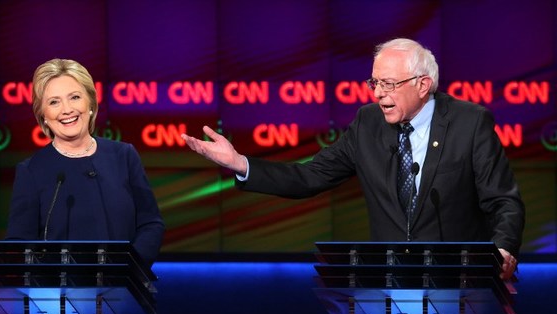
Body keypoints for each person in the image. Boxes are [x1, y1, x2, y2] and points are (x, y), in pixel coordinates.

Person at [182, 37, 524, 280]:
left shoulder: (469, 122)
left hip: (460, 285)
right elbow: (310, 177)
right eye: (374, 82)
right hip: (388, 288)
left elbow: (504, 201)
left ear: (423, 84)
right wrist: (240, 163)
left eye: (389, 84)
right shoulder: (368, 123)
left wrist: (504, 249)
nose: (378, 94)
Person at [6, 58, 173, 314]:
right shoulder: (33, 171)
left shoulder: (123, 156)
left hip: (128, 309)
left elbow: (151, 223)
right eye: (54, 101)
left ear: (91, 103)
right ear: (43, 114)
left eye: (75, 97)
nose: (67, 109)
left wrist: (127, 274)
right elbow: (20, 248)